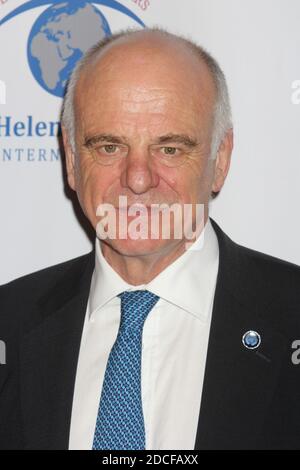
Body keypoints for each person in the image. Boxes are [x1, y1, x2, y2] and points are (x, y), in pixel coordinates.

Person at [0, 27, 300, 451]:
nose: (137, 179)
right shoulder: (9, 322)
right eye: (108, 147)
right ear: (71, 160)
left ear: (220, 158)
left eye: (170, 149)